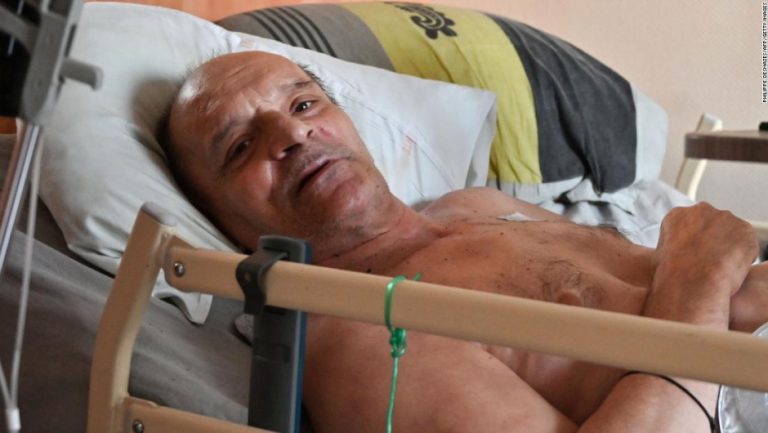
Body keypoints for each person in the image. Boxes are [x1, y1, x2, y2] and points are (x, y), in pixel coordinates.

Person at [160, 50, 768, 433]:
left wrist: (702, 276)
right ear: (218, 217)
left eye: (303, 103)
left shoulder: (478, 205)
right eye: (241, 146)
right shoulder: (358, 327)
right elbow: (692, 282)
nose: (293, 133)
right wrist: (699, 285)